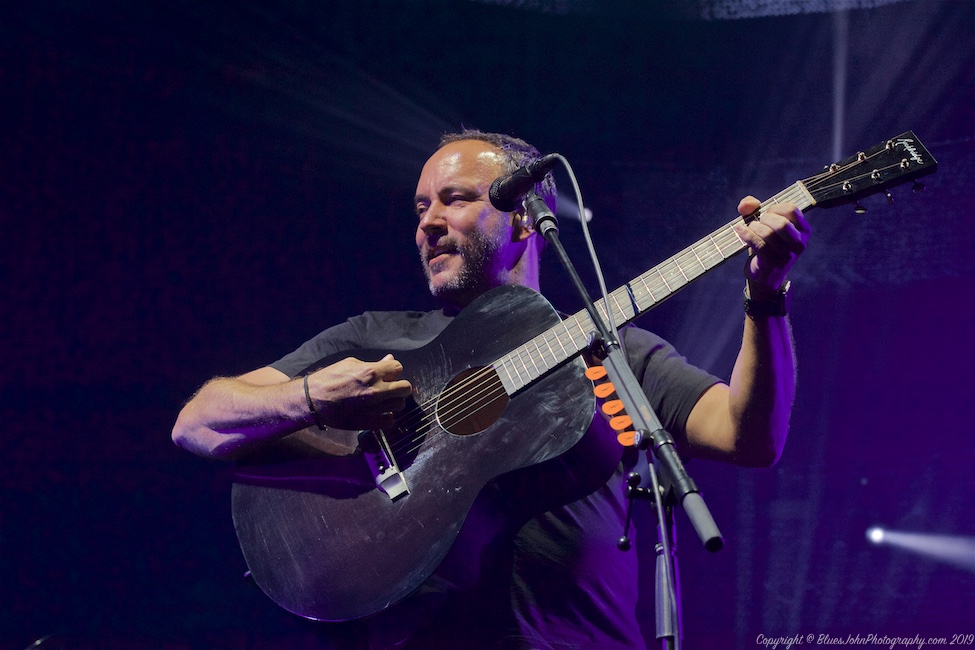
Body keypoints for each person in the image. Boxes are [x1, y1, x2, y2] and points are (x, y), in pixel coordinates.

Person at [172, 129, 811, 649]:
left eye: (454, 199)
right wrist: (308, 397)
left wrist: (766, 294)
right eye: (421, 207)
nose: (428, 223)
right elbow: (198, 422)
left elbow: (747, 437)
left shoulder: (610, 345)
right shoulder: (374, 338)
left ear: (528, 218)